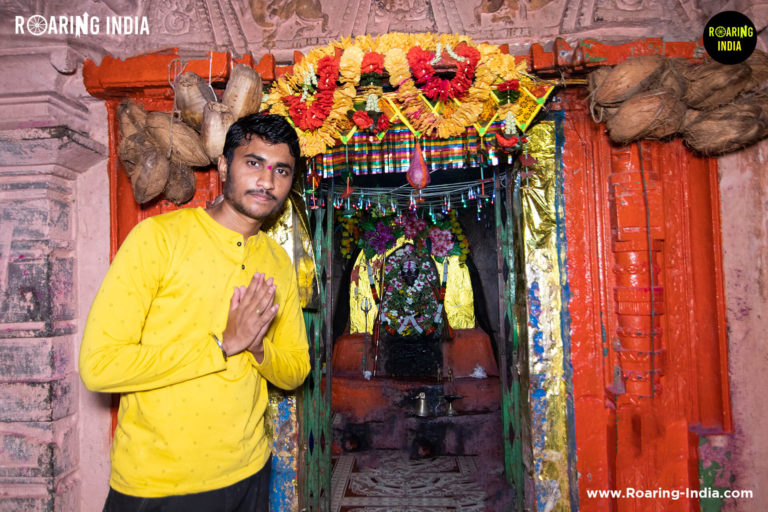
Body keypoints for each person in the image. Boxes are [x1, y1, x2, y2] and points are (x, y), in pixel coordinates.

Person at [79, 113, 311, 512]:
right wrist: (222, 344)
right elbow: (100, 366)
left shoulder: (275, 260)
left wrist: (257, 349)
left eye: (281, 170)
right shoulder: (158, 240)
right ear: (223, 166)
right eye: (253, 163)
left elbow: (295, 370)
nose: (267, 181)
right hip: (159, 484)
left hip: (250, 472)